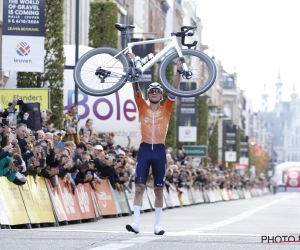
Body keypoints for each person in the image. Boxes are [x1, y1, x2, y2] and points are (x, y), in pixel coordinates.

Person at [125, 53, 181, 235]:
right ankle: (135, 223)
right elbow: (135, 85)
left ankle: (157, 225)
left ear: (161, 95)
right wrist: (132, 62)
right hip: (144, 149)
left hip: (159, 150)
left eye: (157, 92)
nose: (155, 93)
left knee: (158, 189)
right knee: (139, 187)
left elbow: (174, 88)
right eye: (152, 91)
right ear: (148, 94)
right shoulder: (142, 106)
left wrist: (179, 70)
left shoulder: (167, 108)